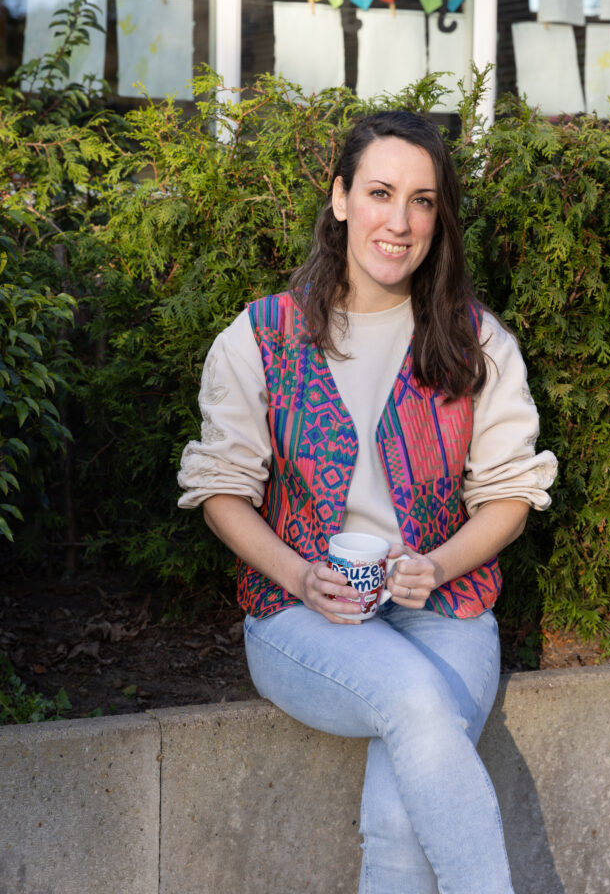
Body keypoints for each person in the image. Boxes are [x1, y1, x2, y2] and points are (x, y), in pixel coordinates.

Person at [178, 110, 557, 894]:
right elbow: (220, 491)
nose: (399, 221)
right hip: (301, 616)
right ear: (341, 198)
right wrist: (297, 575)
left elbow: (508, 497)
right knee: (415, 698)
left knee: (399, 821)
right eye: (380, 193)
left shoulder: (475, 342)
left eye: (422, 201)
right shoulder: (263, 336)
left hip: (444, 609)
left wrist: (437, 564)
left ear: (438, 219)